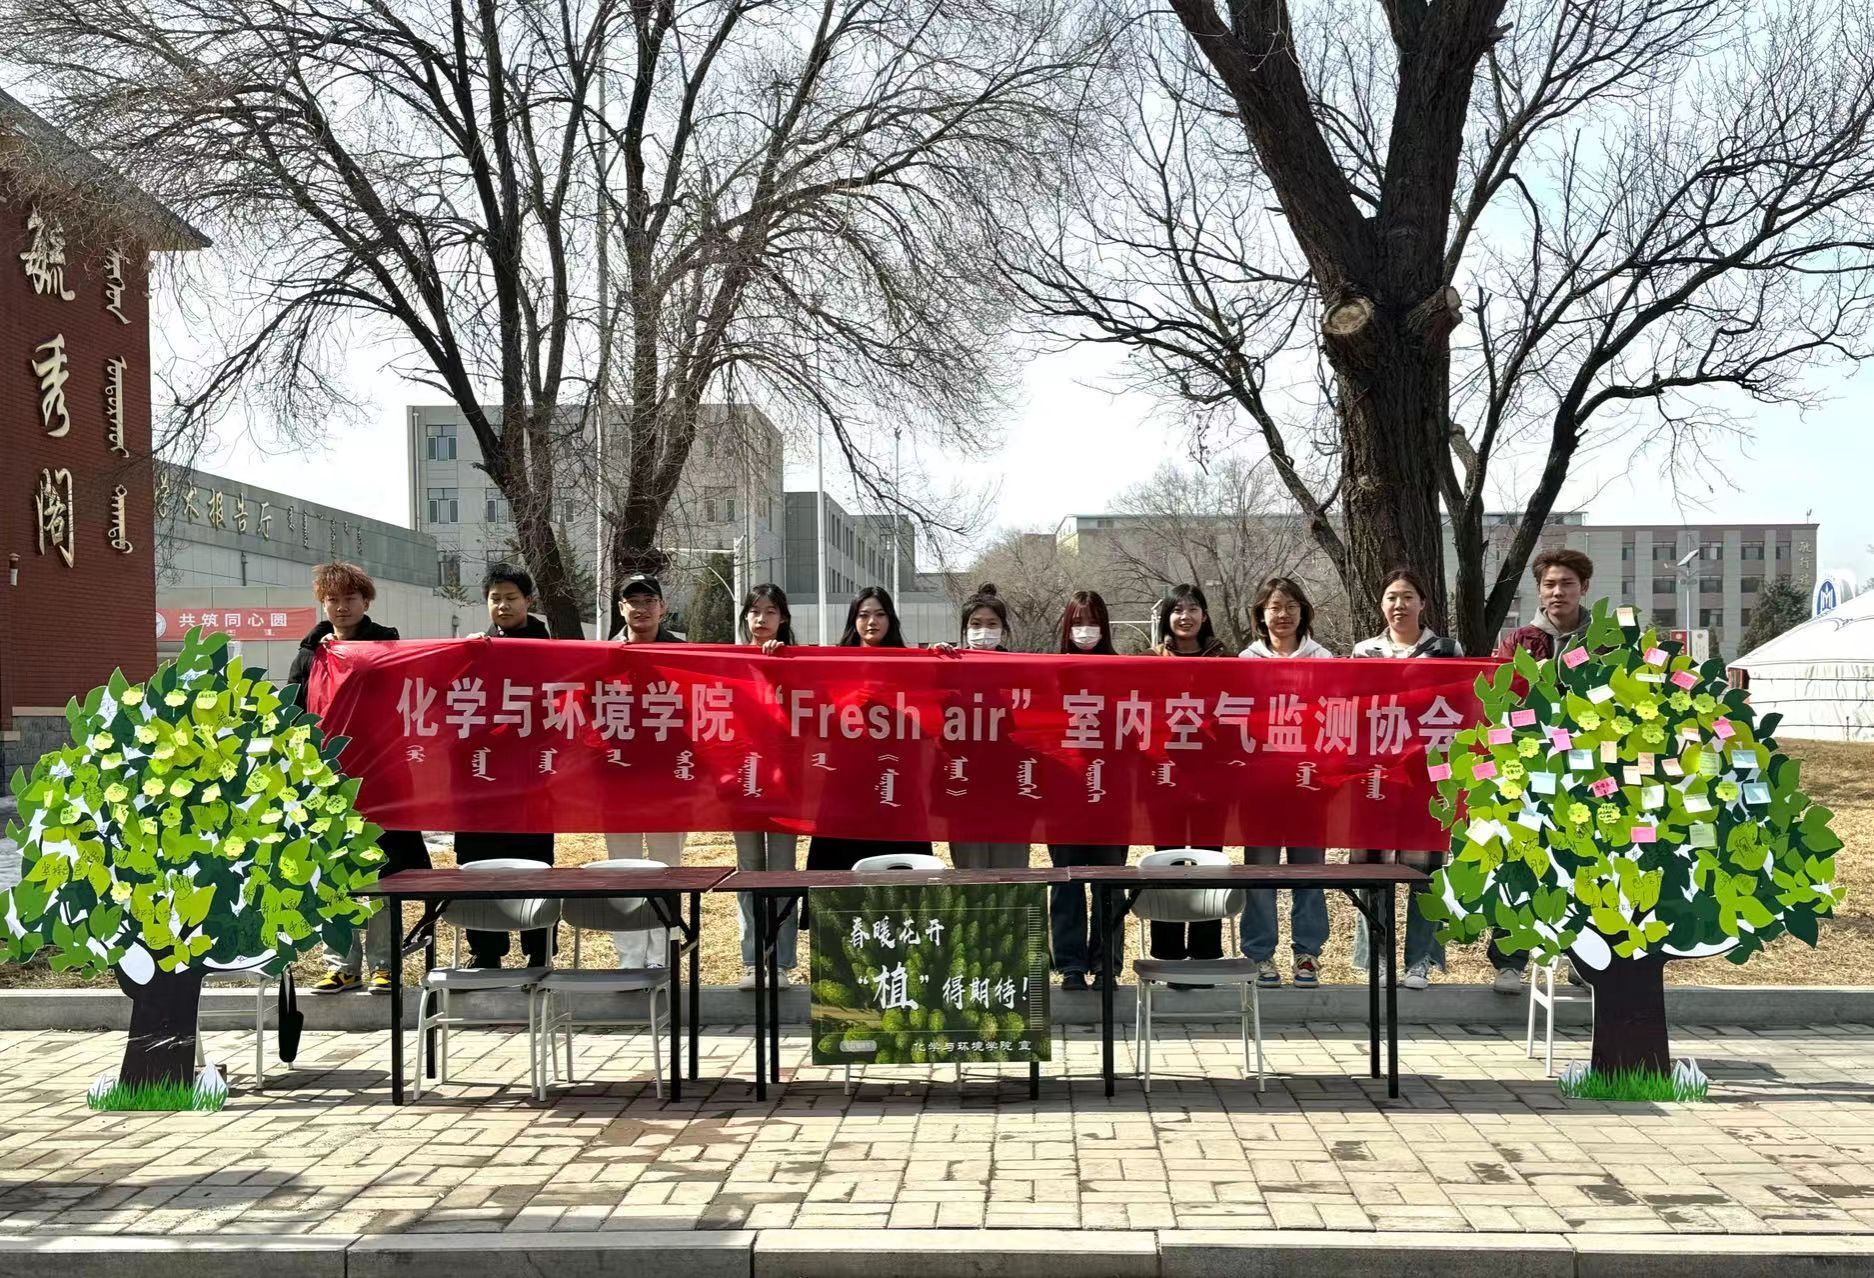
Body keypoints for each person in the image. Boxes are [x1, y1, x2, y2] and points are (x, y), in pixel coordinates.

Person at [289, 562, 432, 994]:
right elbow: (293, 711)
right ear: (322, 603)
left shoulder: (387, 646)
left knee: (382, 873)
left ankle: (385, 965)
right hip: (327, 780)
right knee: (335, 874)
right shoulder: (310, 652)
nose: (341, 607)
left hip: (380, 778)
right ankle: (341, 966)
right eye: (332, 599)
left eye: (350, 598)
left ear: (365, 601)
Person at [1487, 547, 1596, 991]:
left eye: (1567, 583)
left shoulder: (1604, 640)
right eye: (1549, 584)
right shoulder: (1518, 641)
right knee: (1519, 857)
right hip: (1528, 768)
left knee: (1585, 862)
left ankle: (1586, 959)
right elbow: (1497, 702)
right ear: (1539, 590)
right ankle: (1510, 961)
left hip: (1587, 769)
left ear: (1583, 588)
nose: (1558, 592)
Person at [1349, 568, 1462, 991]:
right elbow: (1353, 709)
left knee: (1425, 871)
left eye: (1408, 596)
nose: (1400, 604)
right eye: (1392, 597)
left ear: (1423, 603)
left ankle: (1420, 960)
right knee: (1372, 870)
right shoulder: (1365, 652)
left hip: (1428, 775)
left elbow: (1460, 704)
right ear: (1382, 604)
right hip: (1376, 775)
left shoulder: (1447, 650)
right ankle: (1376, 959)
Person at [454, 565, 556, 969]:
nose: (503, 606)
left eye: (511, 598)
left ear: (528, 601)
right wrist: (462, 657)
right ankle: (485, 949)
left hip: (531, 776)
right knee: (479, 860)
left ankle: (538, 950)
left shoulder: (552, 651)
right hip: (479, 776)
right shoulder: (474, 649)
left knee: (533, 863)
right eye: (495, 598)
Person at [1237, 576, 1333, 990]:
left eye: (1291, 606)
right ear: (1261, 614)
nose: (1283, 614)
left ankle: (1307, 954)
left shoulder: (1324, 658)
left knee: (1309, 872)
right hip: (1260, 788)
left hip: (1310, 784)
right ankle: (1259, 954)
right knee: (1260, 875)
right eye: (1275, 607)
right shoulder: (1246, 660)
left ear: (1303, 611)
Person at [805, 587, 935, 876]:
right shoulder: (833, 664)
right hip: (845, 780)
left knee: (898, 865)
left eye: (880, 614)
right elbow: (813, 713)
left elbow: (932, 713)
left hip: (896, 780)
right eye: (863, 615)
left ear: (890, 619)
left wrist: (946, 658)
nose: (872, 622)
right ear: (854, 621)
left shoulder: (912, 663)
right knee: (839, 867)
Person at [604, 573, 688, 969]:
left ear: (662, 607)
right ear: (621, 608)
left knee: (666, 868)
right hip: (617, 778)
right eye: (632, 601)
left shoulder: (685, 654)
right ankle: (630, 956)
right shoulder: (604, 655)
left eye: (648, 600)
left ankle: (662, 953)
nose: (641, 608)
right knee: (623, 869)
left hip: (667, 780)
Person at [1046, 590, 1129, 991]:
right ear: (1066, 626)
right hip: (1063, 795)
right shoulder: (1049, 673)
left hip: (1112, 795)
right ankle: (1071, 965)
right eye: (1078, 622)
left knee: (1108, 883)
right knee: (1067, 883)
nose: (1085, 630)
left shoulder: (1123, 671)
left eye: (1093, 622)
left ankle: (1107, 964)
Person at [1147, 583, 1228, 971]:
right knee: (1168, 862)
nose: (1185, 616)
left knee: (1210, 863)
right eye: (1178, 610)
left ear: (1204, 616)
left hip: (1212, 778)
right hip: (1164, 777)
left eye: (1193, 608)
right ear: (1167, 617)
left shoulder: (1224, 659)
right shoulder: (1150, 661)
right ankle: (1167, 954)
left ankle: (1206, 953)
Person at [733, 583, 800, 990]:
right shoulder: (729, 661)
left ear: (783, 618)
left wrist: (779, 666)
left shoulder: (798, 661)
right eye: (754, 611)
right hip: (741, 781)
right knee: (749, 872)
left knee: (782, 872)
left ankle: (781, 962)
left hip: (784, 784)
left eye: (770, 610)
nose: (761, 618)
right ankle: (751, 960)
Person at [937, 585, 1031, 873]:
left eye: (992, 624)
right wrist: (933, 662)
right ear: (965, 629)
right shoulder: (949, 669)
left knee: (1011, 867)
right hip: (962, 784)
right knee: (971, 868)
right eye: (976, 624)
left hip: (1010, 784)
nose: (983, 631)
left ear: (1004, 629)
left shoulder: (1021, 671)